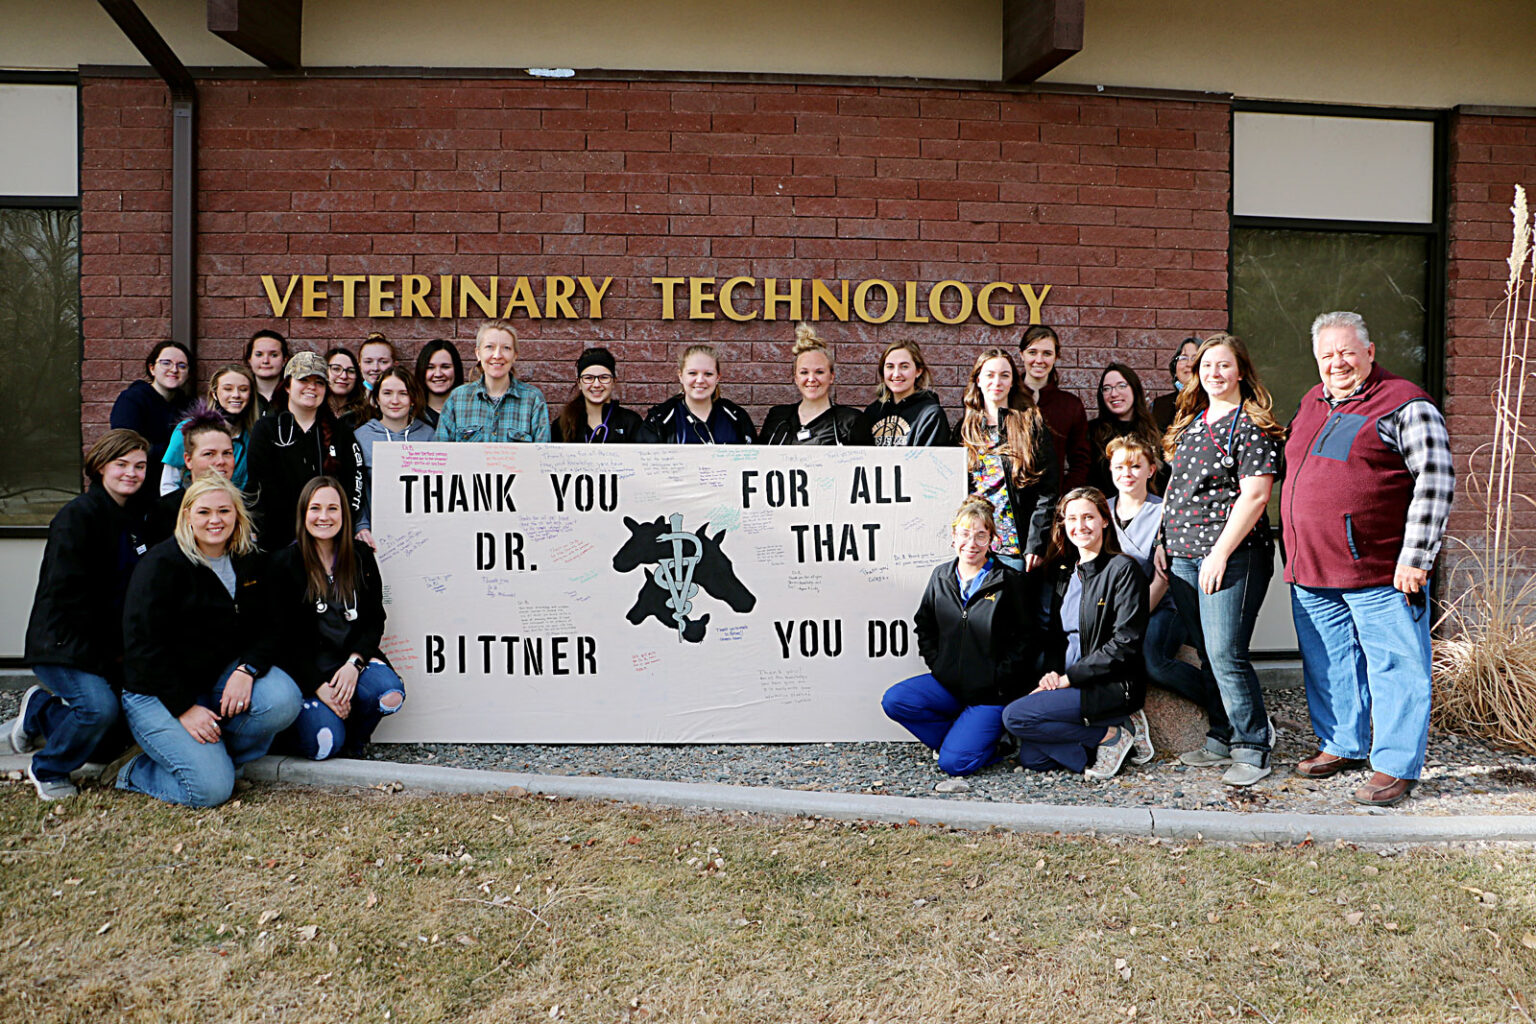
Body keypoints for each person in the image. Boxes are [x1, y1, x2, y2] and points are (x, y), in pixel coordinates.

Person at [1283, 311, 1454, 807]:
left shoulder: (1404, 402)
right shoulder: (1311, 402)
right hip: (1312, 568)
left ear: (1370, 351)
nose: (1337, 362)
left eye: (1346, 352)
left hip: (1380, 570)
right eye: (1327, 354)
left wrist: (1417, 557)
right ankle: (1344, 744)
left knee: (1396, 666)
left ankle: (1396, 765)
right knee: (1331, 663)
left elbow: (1435, 482)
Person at [115, 476, 301, 808]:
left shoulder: (249, 559)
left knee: (283, 699)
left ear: (237, 515)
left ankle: (214, 758)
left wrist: (247, 669)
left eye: (223, 511)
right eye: (203, 512)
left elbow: (274, 626)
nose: (215, 521)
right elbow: (143, 649)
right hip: (156, 692)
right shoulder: (161, 566)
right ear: (187, 516)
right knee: (210, 791)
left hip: (216, 678)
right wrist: (184, 708)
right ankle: (136, 770)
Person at [1161, 333, 1285, 787]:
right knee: (1208, 654)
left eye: (1223, 365)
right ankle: (1221, 735)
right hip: (1182, 556)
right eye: (1206, 365)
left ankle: (1253, 746)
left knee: (1226, 652)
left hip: (1231, 557)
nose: (1214, 373)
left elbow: (1255, 497)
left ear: (1241, 372)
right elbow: (1177, 493)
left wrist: (1219, 552)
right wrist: (1164, 542)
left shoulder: (1250, 425)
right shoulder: (1191, 422)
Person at [5, 430, 151, 800]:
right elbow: (68, 597)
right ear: (101, 466)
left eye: (140, 466)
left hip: (106, 645)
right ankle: (48, 768)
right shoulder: (77, 518)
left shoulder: (131, 517)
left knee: (108, 741)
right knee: (98, 712)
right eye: (122, 465)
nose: (131, 473)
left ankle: (40, 710)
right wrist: (109, 653)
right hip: (64, 641)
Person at [881, 496, 1034, 790]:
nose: (971, 543)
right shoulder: (941, 576)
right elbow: (924, 624)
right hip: (949, 685)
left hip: (989, 695)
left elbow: (1027, 638)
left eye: (980, 535)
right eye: (965, 534)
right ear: (953, 537)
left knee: (954, 764)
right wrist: (939, 665)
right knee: (895, 700)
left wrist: (999, 677)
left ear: (992, 539)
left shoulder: (1009, 580)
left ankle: (994, 744)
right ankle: (961, 736)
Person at [1002, 487, 1152, 779]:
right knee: (1033, 756)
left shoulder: (1123, 570)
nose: (1080, 526)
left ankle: (1110, 736)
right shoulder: (1065, 574)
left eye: (1088, 517)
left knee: (1014, 716)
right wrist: (1051, 673)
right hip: (1070, 680)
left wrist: (1068, 679)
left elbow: (1125, 643)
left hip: (1110, 684)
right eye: (1072, 518)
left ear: (1104, 521)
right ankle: (1112, 731)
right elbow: (1057, 638)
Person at [272, 478, 404, 760]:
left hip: (348, 661)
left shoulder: (361, 557)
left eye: (332, 508)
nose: (324, 516)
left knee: (389, 694)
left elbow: (374, 619)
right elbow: (283, 641)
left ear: (344, 514)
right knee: (323, 745)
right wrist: (319, 687)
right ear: (303, 513)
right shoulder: (284, 564)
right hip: (308, 670)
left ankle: (355, 739)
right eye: (315, 508)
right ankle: (320, 724)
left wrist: (355, 663)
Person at [1104, 435, 1207, 709]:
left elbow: (1163, 578)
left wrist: (1128, 621)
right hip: (1115, 610)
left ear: (1150, 470)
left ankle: (1225, 705)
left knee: (1155, 662)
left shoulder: (1165, 511)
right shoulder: (1101, 512)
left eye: (1135, 466)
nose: (1127, 474)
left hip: (1162, 606)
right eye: (1119, 467)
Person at [247, 352, 370, 551]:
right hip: (279, 541)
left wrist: (342, 522)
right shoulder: (267, 429)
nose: (312, 387)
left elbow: (355, 481)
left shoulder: (341, 433)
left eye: (319, 382)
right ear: (287, 386)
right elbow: (259, 484)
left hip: (330, 539)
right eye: (304, 380)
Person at [955, 348, 1057, 573]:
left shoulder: (1030, 425)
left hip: (1014, 548)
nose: (997, 381)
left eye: (1004, 375)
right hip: (975, 546)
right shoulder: (965, 428)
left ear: (1012, 382)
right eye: (990, 374)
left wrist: (1036, 543)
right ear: (978, 380)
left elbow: (1047, 491)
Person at [434, 320, 552, 443]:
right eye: (489, 347)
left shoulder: (533, 399)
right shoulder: (457, 399)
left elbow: (541, 455)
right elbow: (442, 454)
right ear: (478, 354)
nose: (497, 355)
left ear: (515, 356)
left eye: (506, 348)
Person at [159, 364, 257, 494]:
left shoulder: (254, 435)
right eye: (228, 389)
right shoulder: (188, 429)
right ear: (214, 394)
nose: (236, 395)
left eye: (243, 389)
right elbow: (169, 484)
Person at [759, 323, 861, 445]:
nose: (811, 379)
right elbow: (761, 460)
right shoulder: (778, 418)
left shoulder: (850, 421)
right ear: (795, 378)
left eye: (819, 372)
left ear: (831, 376)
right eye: (804, 372)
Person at [144, 410, 235, 545]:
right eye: (209, 454)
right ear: (188, 460)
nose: (221, 461)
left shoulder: (243, 507)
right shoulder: (165, 511)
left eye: (227, 453)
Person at [1018, 324, 1091, 491]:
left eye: (1047, 353)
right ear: (1021, 354)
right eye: (1032, 352)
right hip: (1009, 506)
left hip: (1052, 505)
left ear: (1056, 357)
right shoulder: (1008, 399)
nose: (1039, 360)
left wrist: (1064, 496)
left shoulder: (1070, 406)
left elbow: (1081, 461)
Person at [645, 344, 756, 444]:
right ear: (680, 376)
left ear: (717, 377)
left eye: (708, 374)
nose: (700, 380)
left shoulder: (737, 417)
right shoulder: (660, 419)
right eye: (692, 373)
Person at [110, 340, 193, 469]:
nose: (174, 369)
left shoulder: (190, 406)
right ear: (152, 368)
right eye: (166, 363)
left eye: (182, 366)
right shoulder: (132, 400)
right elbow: (126, 447)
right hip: (140, 479)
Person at [853, 340, 950, 446]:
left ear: (918, 371)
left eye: (904, 366)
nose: (896, 374)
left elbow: (929, 460)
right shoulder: (873, 412)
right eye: (890, 366)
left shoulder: (931, 415)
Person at [1087, 363, 1164, 496]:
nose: (1114, 393)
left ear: (1135, 389)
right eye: (1106, 388)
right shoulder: (1091, 432)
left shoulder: (1156, 433)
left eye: (1121, 386)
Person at [551, 347, 657, 443]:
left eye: (604, 377)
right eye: (589, 378)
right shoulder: (562, 425)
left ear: (614, 381)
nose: (596, 384)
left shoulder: (631, 422)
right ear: (579, 383)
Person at [354, 366, 434, 475]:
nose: (395, 401)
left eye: (403, 393)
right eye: (387, 393)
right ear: (377, 398)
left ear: (412, 399)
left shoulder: (429, 435)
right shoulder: (360, 436)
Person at [1151, 337, 1200, 432]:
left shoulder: (1213, 404)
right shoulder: (1159, 405)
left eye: (1195, 358)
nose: (1189, 364)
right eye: (1183, 358)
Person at [414, 338, 464, 430]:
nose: (438, 374)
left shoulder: (468, 414)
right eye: (430, 367)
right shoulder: (410, 416)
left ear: (456, 370)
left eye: (445, 367)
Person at [246, 329, 290, 416]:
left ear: (284, 360)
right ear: (249, 359)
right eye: (259, 354)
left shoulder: (293, 395)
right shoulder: (241, 394)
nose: (265, 361)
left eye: (274, 355)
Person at [324, 346, 370, 427]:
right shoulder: (314, 412)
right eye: (336, 369)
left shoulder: (367, 415)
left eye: (351, 371)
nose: (344, 376)